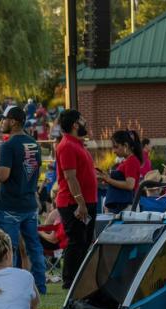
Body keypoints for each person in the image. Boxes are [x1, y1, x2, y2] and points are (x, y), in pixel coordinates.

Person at [0, 106, 46, 294]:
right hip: (29, 204)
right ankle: (40, 286)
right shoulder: (34, 144)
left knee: (8, 249)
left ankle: (11, 286)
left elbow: (3, 176)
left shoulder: (8, 145)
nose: (2, 122)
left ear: (14, 121)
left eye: (5, 119)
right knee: (34, 247)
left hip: (10, 207)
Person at [55, 109, 98, 289]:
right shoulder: (66, 146)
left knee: (85, 241)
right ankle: (70, 281)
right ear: (75, 124)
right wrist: (81, 203)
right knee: (76, 241)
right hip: (74, 203)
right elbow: (70, 177)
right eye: (82, 120)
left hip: (88, 201)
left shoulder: (78, 144)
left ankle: (81, 279)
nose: (85, 122)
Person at [97, 130, 143, 213]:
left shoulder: (131, 161)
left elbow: (129, 185)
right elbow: (121, 181)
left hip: (127, 208)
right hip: (123, 206)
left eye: (116, 147)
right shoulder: (126, 161)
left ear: (125, 145)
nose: (114, 151)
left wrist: (108, 179)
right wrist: (105, 177)